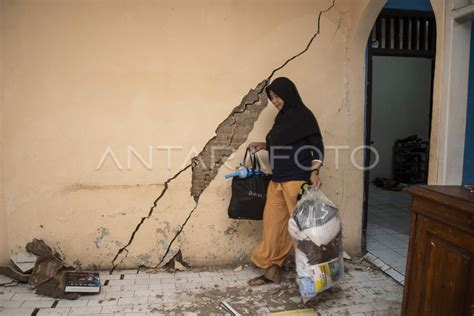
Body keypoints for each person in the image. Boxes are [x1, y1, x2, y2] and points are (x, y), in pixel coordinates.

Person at [247, 77, 324, 286]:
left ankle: (316, 277)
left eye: (278, 96)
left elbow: (317, 146)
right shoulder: (281, 118)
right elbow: (284, 144)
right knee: (273, 227)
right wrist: (264, 145)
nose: (275, 101)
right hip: (278, 179)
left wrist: (314, 172)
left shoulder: (304, 116)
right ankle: (272, 270)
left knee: (304, 229)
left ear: (288, 94)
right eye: (272, 98)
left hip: (297, 180)